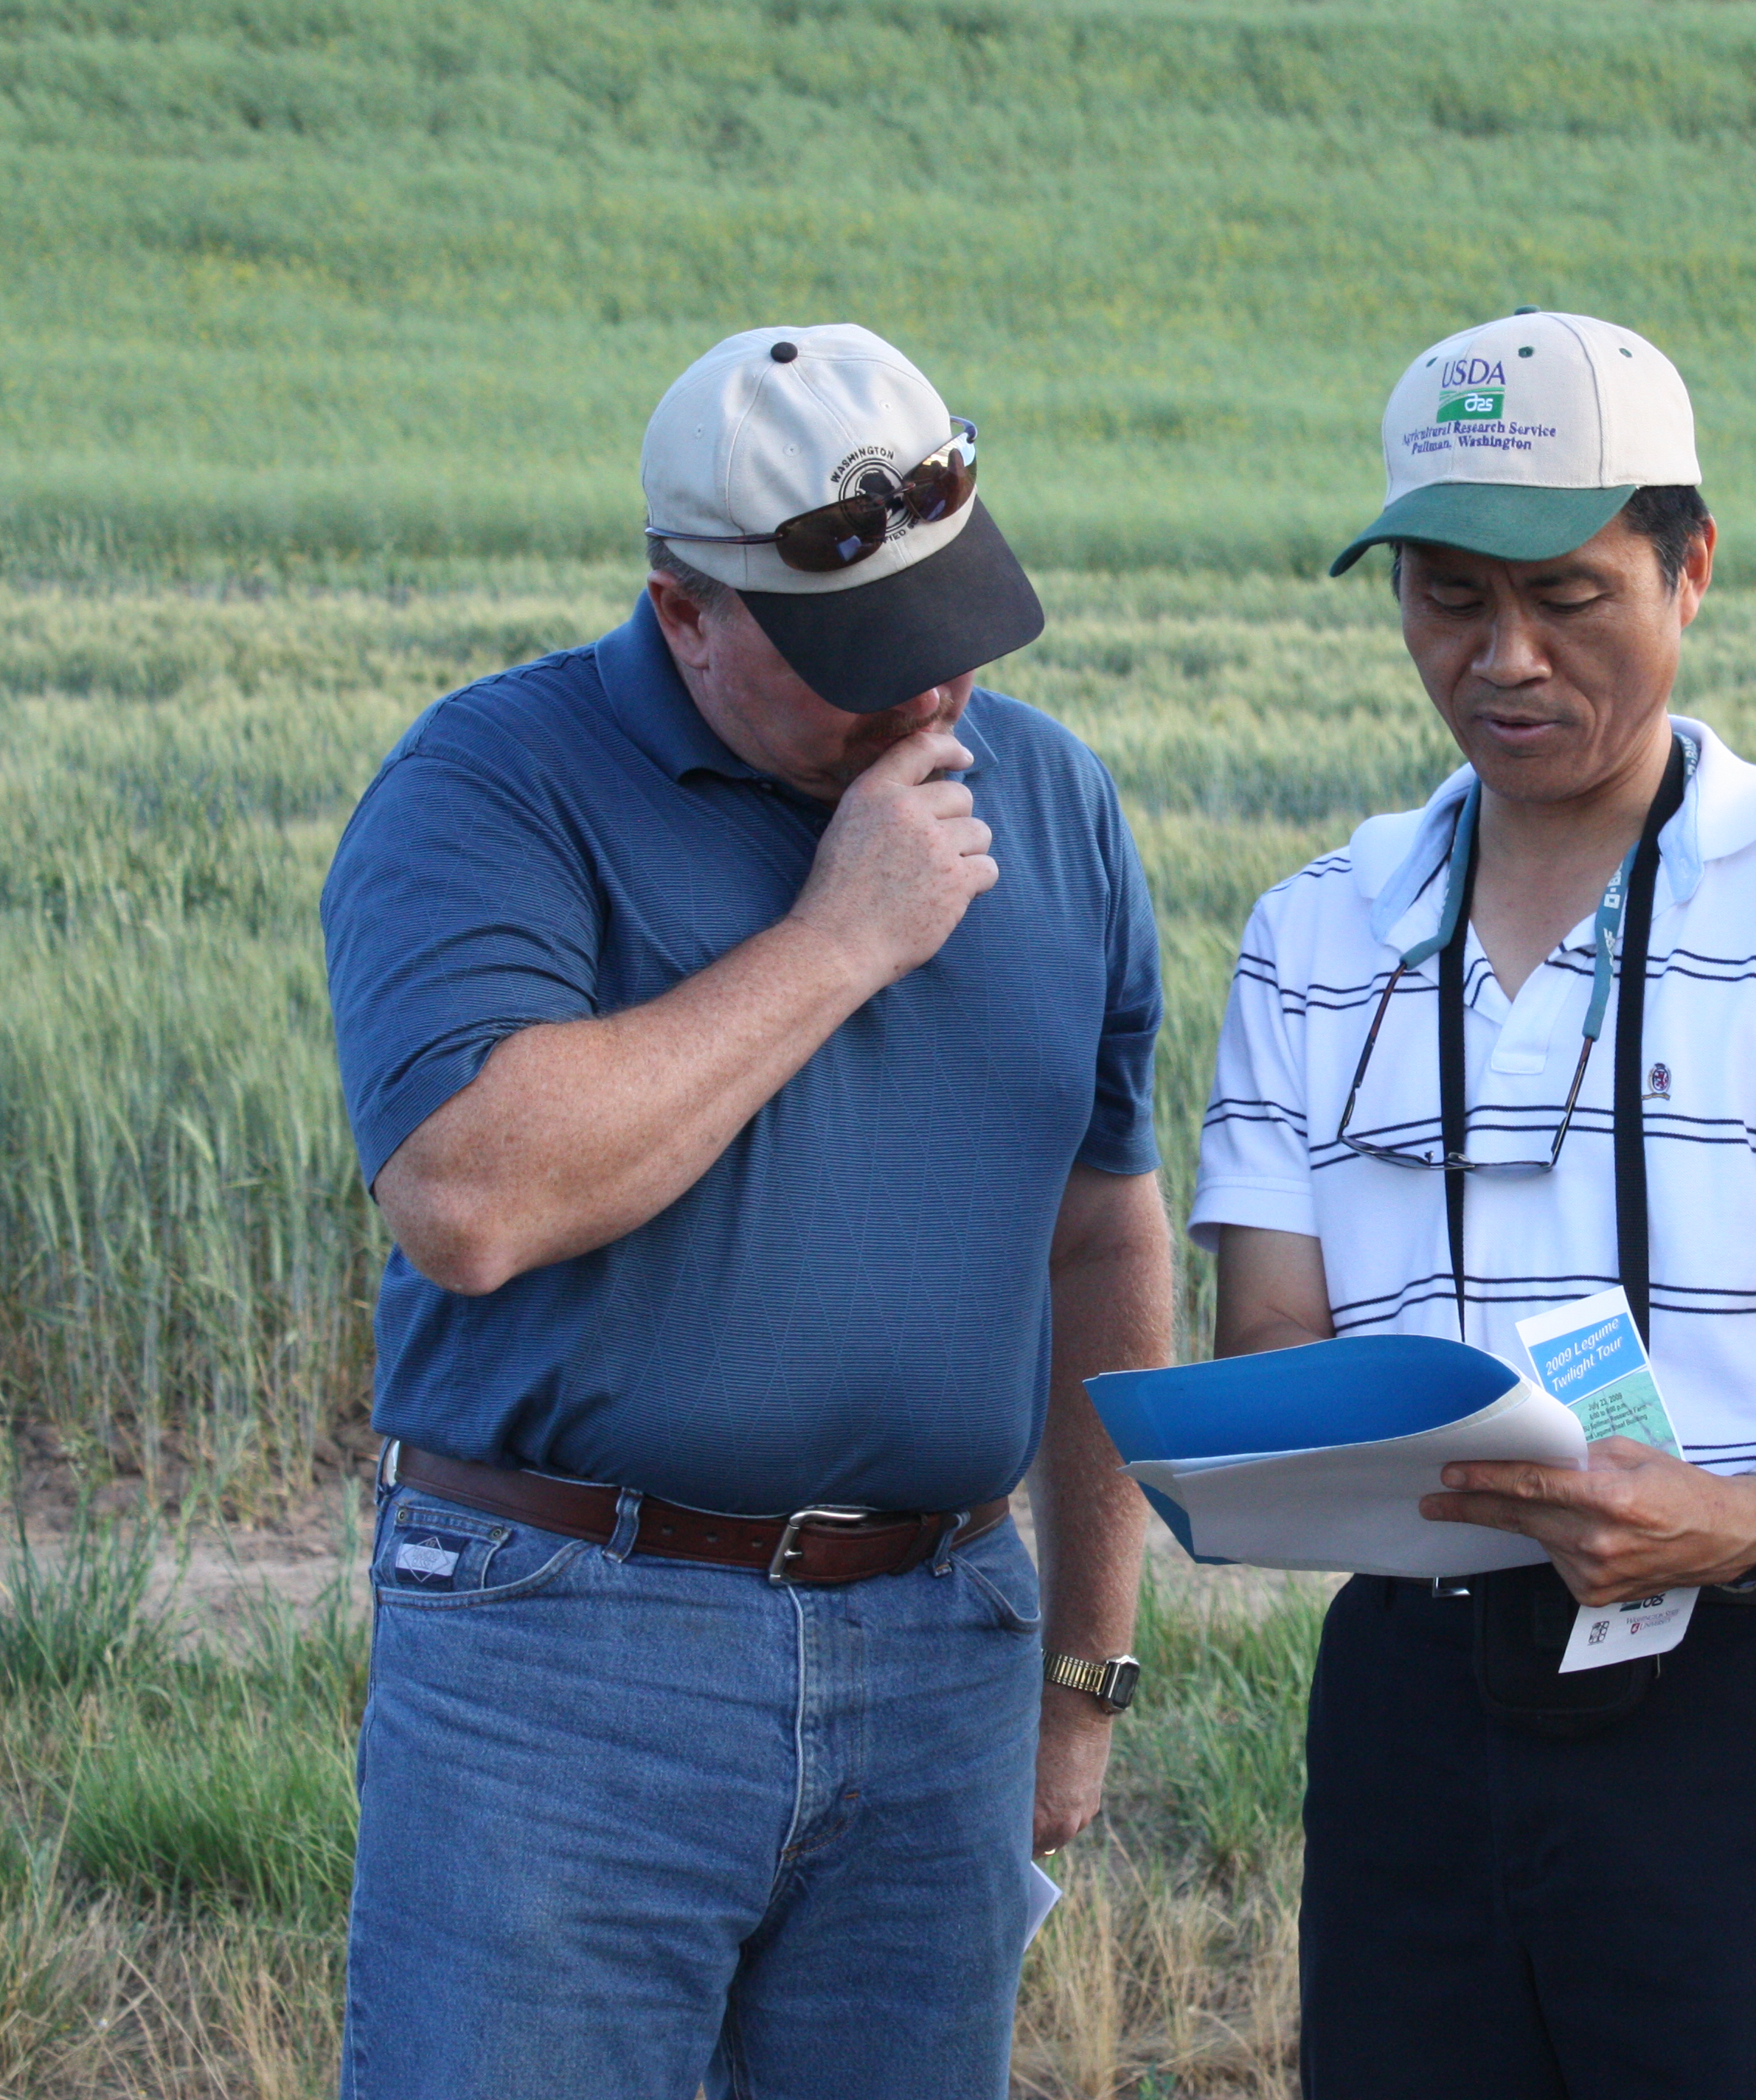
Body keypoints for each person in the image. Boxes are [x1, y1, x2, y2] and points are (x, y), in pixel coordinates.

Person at [318, 322, 1166, 2100]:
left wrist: (1088, 1658)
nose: (931, 698)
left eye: (950, 634)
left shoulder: (1063, 803)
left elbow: (1102, 1235)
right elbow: (468, 1196)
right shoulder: (493, 784)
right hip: (570, 1641)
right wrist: (838, 937)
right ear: (685, 606)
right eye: (864, 656)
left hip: (946, 1642)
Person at [1189, 308, 1756, 2099]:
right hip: (1416, 1693)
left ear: (1689, 566)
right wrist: (1266, 1449)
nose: (1506, 660)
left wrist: (1740, 1515)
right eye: (1448, 599)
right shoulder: (1314, 934)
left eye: (1569, 598)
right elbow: (1266, 1341)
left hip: (1751, 1680)